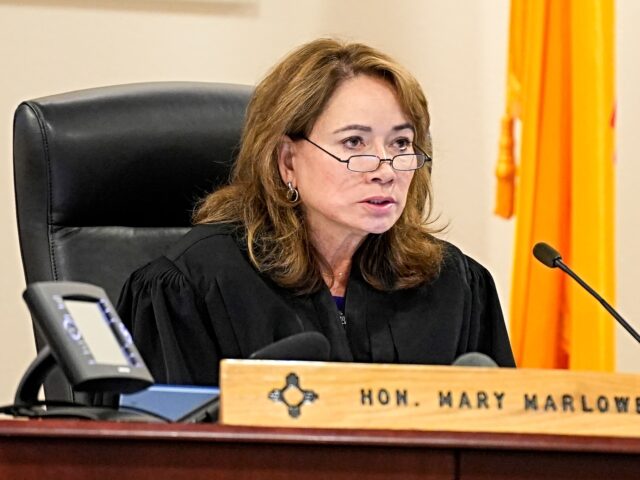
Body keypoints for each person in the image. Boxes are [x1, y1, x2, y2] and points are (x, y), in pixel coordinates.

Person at [117, 38, 515, 386]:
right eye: (354, 142)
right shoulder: (193, 287)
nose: (385, 168)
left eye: (400, 143)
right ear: (287, 161)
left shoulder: (455, 286)